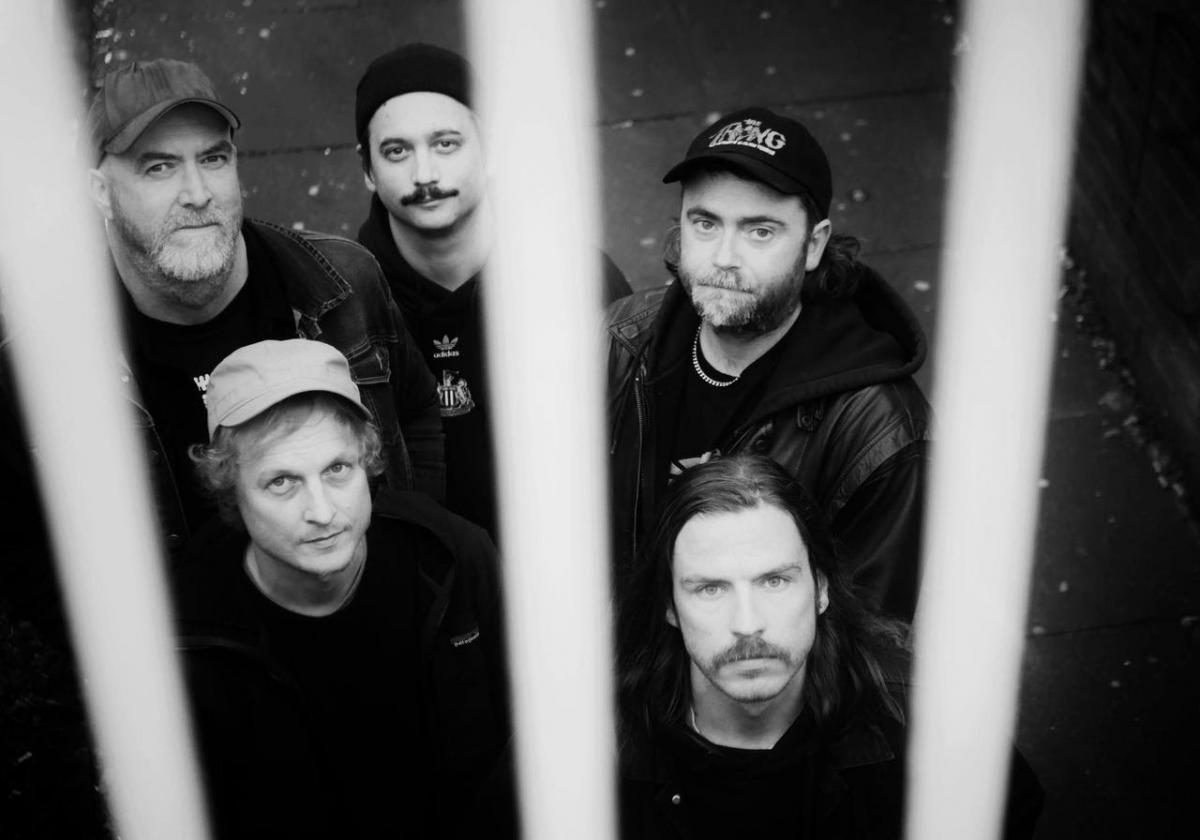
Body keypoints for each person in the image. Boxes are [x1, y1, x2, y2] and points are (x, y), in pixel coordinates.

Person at [80, 57, 442, 556]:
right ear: (100, 192)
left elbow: (416, 411)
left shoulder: (341, 281)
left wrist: (414, 556)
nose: (197, 194)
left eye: (213, 159)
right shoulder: (54, 350)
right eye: (159, 167)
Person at [176, 338, 512, 839]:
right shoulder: (189, 631)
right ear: (231, 490)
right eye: (282, 482)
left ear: (367, 461)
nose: (322, 511)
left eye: (337, 470)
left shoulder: (451, 557)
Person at [607, 107, 930, 619]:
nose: (724, 257)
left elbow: (868, 637)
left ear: (813, 245)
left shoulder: (880, 433)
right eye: (705, 223)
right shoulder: (619, 340)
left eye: (759, 231)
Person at [616, 454, 1041, 839]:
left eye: (774, 581)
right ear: (669, 606)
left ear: (821, 589)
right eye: (710, 589)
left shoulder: (924, 722)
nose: (747, 624)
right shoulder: (602, 748)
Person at [354, 42, 632, 537]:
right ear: (368, 170)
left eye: (446, 144)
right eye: (397, 151)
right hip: (417, 569)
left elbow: (632, 443)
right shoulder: (343, 301)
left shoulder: (572, 279)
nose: (425, 175)